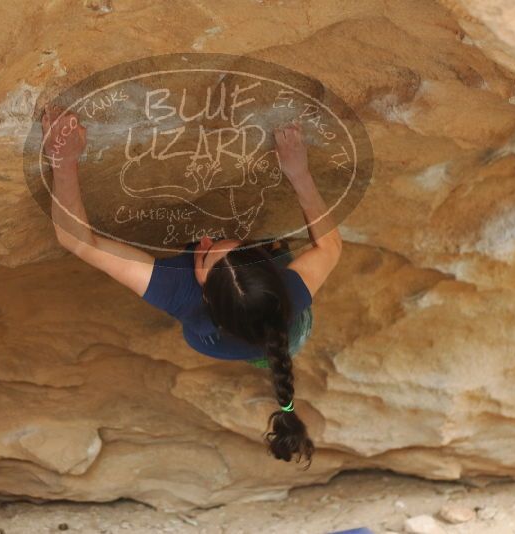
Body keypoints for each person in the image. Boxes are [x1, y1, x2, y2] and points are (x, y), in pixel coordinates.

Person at [41, 107, 342, 467]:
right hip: (255, 325)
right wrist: (299, 172)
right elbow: (331, 246)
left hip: (228, 340)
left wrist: (65, 162)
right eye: (220, 244)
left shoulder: (177, 291)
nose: (202, 239)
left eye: (204, 257)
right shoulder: (293, 289)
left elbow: (77, 241)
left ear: (202, 294)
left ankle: (268, 349)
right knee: (280, 341)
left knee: (288, 342)